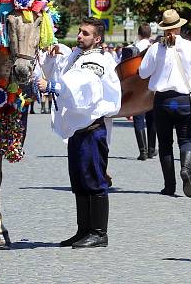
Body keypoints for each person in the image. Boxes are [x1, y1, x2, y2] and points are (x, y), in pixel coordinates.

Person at [42, 17, 122, 249]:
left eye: (85, 33)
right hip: (79, 129)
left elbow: (84, 84)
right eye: (79, 31)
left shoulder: (97, 60)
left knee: (94, 180)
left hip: (93, 128)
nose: (79, 36)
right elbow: (61, 67)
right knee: (78, 180)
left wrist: (53, 87)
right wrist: (51, 55)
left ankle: (98, 233)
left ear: (97, 39)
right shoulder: (79, 55)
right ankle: (83, 230)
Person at [139, 9, 191, 197]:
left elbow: (143, 73)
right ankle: (186, 169)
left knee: (165, 144)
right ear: (180, 27)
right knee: (187, 140)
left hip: (162, 101)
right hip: (184, 100)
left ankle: (169, 186)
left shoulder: (155, 48)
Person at [131, 23, 156, 160]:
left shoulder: (133, 48)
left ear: (138, 34)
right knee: (152, 118)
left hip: (137, 86)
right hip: (151, 87)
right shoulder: (155, 48)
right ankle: (152, 149)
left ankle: (143, 151)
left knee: (138, 118)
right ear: (150, 34)